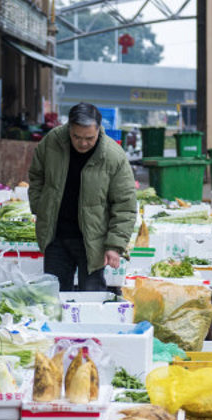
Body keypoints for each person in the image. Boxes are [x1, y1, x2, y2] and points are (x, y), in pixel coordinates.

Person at [28, 103, 137, 292]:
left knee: (92, 296)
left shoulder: (113, 156)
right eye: (76, 137)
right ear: (69, 128)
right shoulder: (52, 141)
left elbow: (125, 205)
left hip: (93, 242)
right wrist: (40, 207)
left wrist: (114, 245)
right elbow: (37, 176)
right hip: (56, 238)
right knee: (54, 297)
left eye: (89, 138)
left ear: (99, 130)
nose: (83, 143)